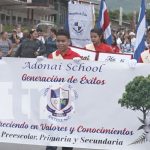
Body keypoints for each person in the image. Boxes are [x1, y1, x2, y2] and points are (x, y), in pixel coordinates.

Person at [46, 29, 80, 150]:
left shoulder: (76, 56)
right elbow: (45, 74)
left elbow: (82, 78)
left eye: (63, 41)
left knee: (67, 129)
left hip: (69, 96)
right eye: (58, 41)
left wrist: (80, 65)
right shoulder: (52, 56)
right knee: (52, 129)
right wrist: (38, 65)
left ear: (69, 41)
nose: (60, 43)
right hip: (53, 96)